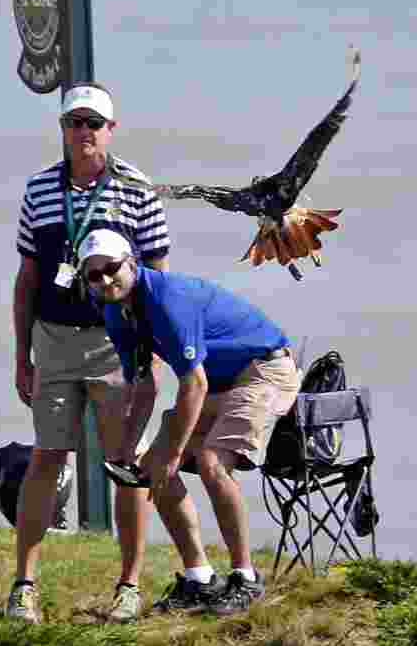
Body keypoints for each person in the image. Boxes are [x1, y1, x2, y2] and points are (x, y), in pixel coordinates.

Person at [6, 82, 171, 624]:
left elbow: (158, 278)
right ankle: (24, 585)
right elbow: (27, 278)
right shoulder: (38, 190)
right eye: (75, 122)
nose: (84, 131)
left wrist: (153, 353)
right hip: (52, 340)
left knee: (124, 463)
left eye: (93, 123)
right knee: (46, 459)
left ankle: (128, 585)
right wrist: (21, 355)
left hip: (116, 343)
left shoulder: (138, 189)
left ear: (111, 130)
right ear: (62, 129)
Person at [76, 228, 302, 617]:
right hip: (218, 381)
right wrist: (130, 448)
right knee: (149, 468)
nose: (105, 280)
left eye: (112, 268)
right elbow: (144, 384)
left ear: (132, 262)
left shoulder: (167, 300)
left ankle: (246, 578)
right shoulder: (114, 309)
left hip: (264, 369)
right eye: (93, 275)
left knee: (214, 463)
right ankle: (199, 578)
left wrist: (175, 452)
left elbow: (193, 383)